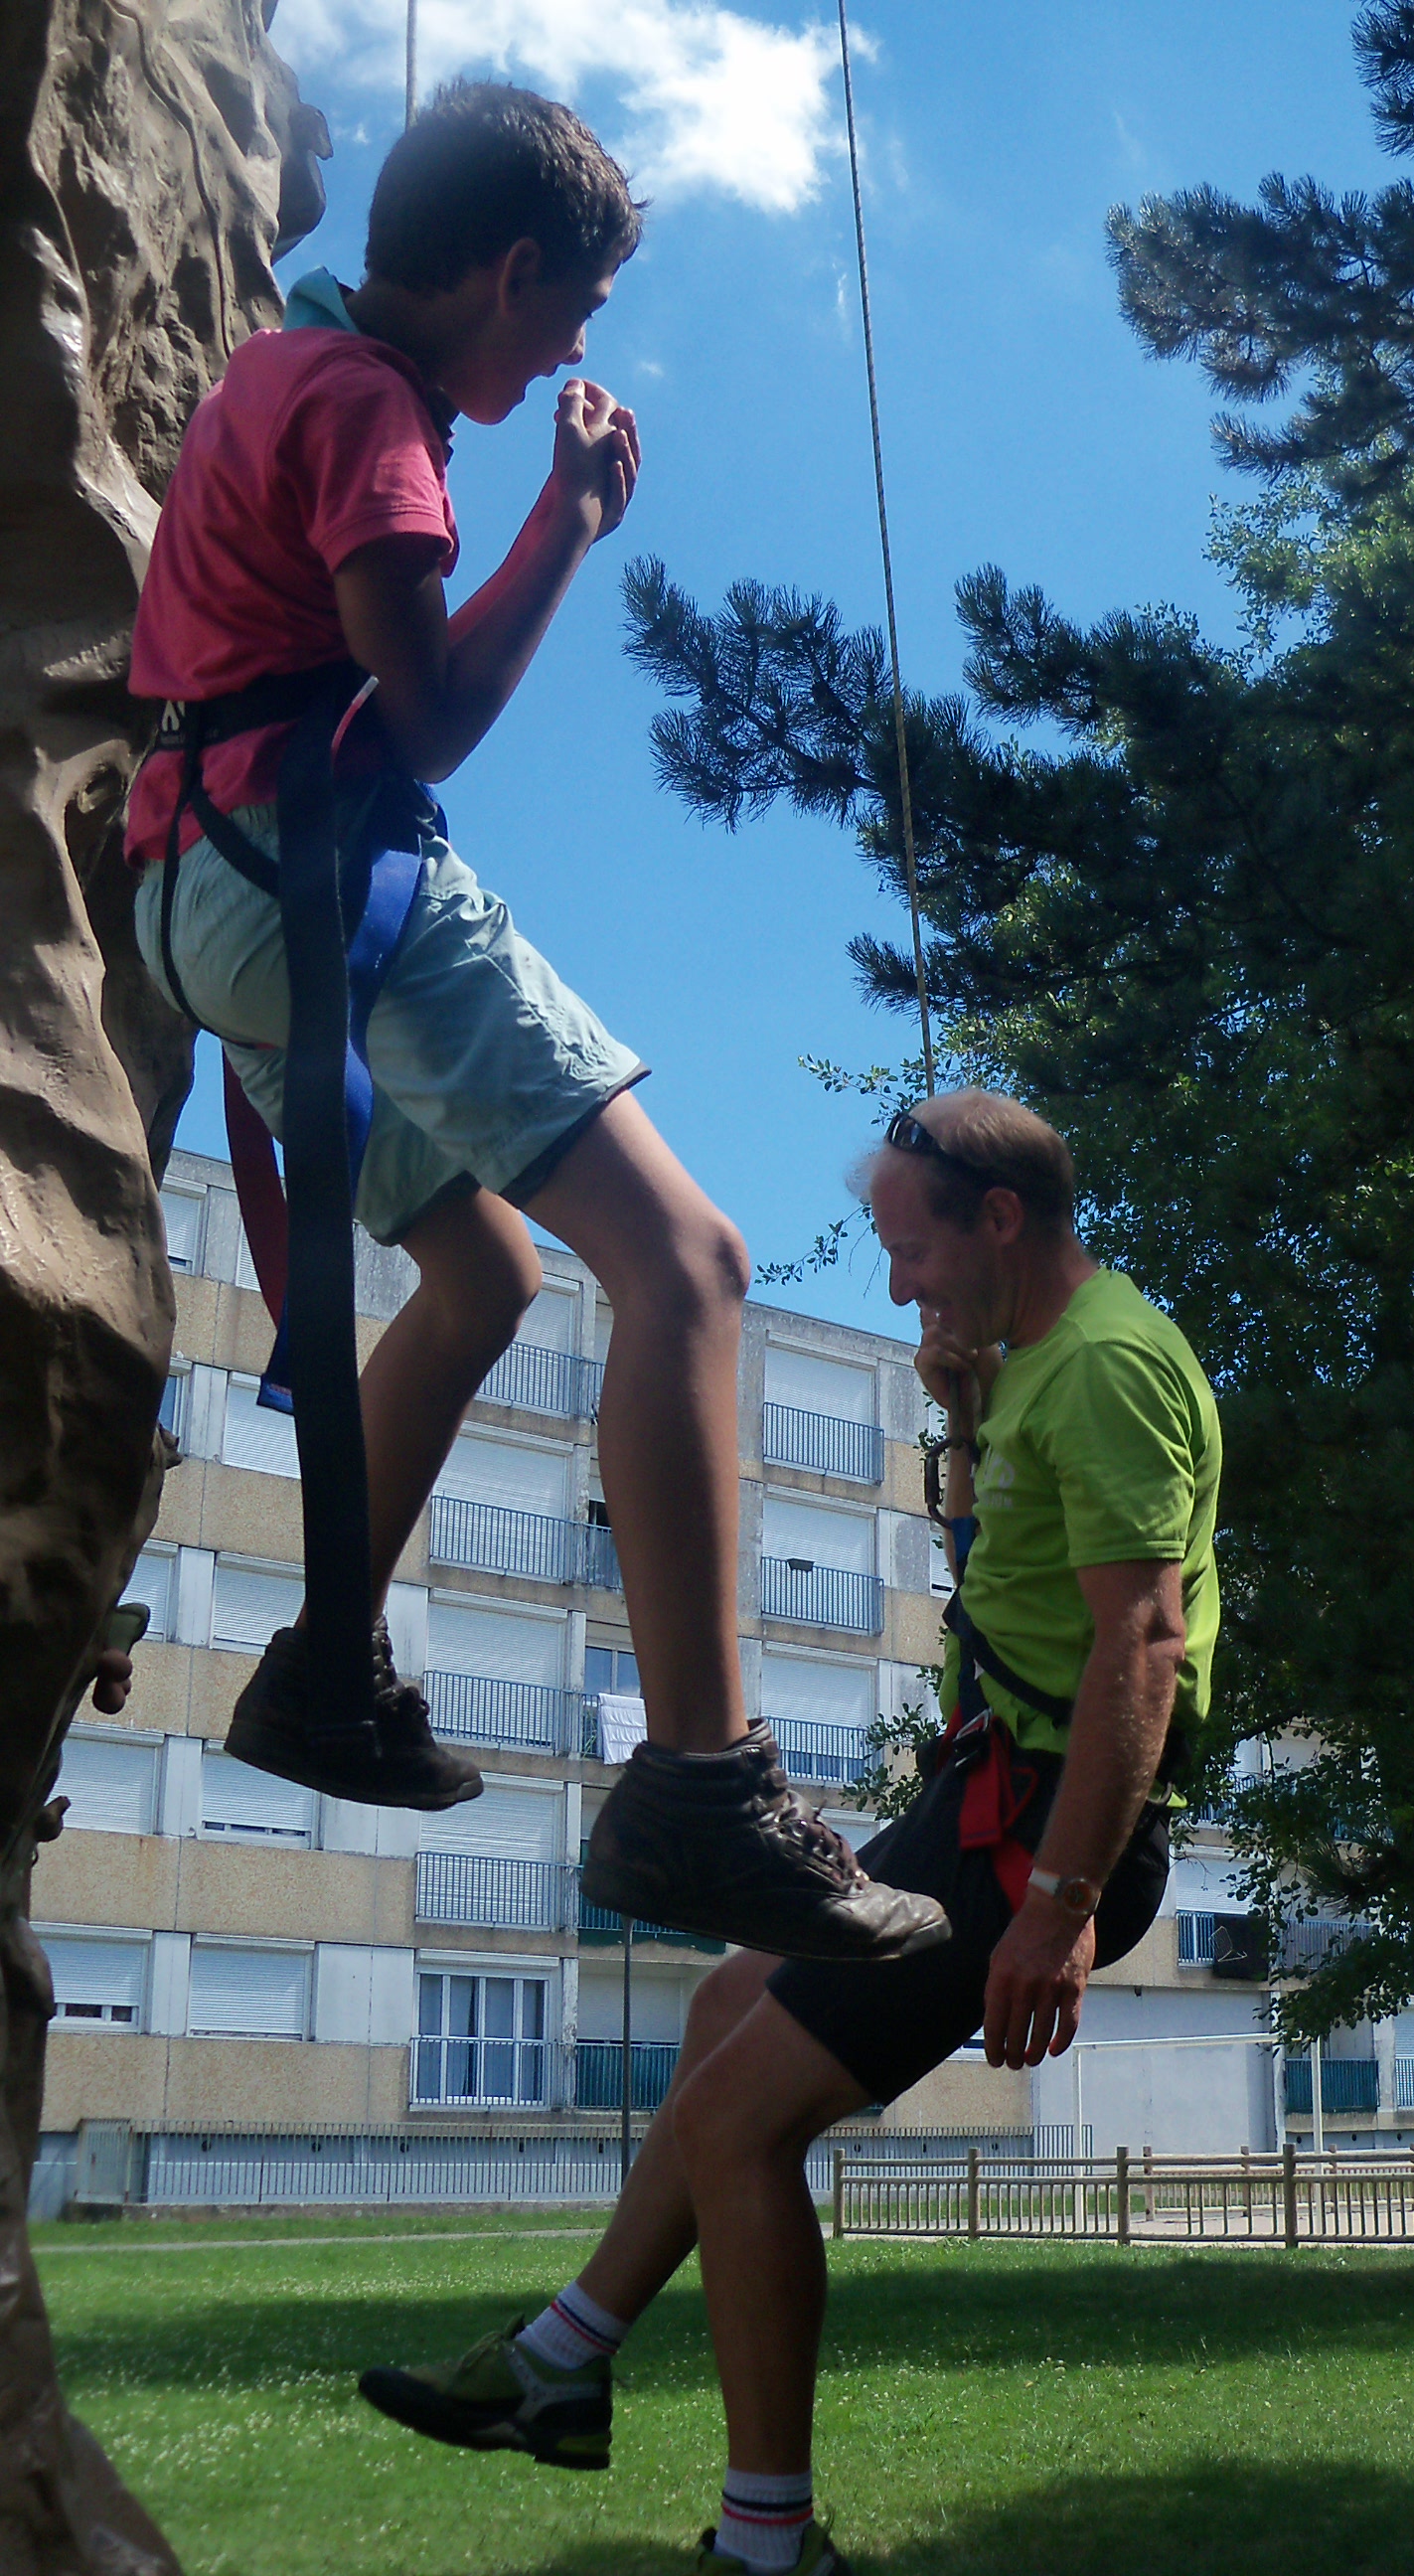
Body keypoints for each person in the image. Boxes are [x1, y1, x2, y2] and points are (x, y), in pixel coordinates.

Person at [122, 80, 940, 1962]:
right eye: (567, 312)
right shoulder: (370, 417)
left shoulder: (280, 367)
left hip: (204, 890)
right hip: (319, 864)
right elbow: (419, 723)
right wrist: (570, 518)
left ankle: (328, 1665)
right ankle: (705, 1788)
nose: (573, 349)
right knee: (693, 1264)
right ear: (506, 277)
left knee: (480, 1278)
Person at [357, 1090, 1223, 2574]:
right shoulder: (1029, 1369)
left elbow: (1139, 1648)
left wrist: (1061, 1903)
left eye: (910, 1251)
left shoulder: (1110, 1370)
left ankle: (766, 2537)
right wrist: (956, 1412)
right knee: (717, 2015)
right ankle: (565, 2364)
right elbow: (1000, 1566)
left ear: (999, 1218)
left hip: (1038, 1830)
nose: (898, 1287)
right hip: (981, 1799)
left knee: (734, 2122)